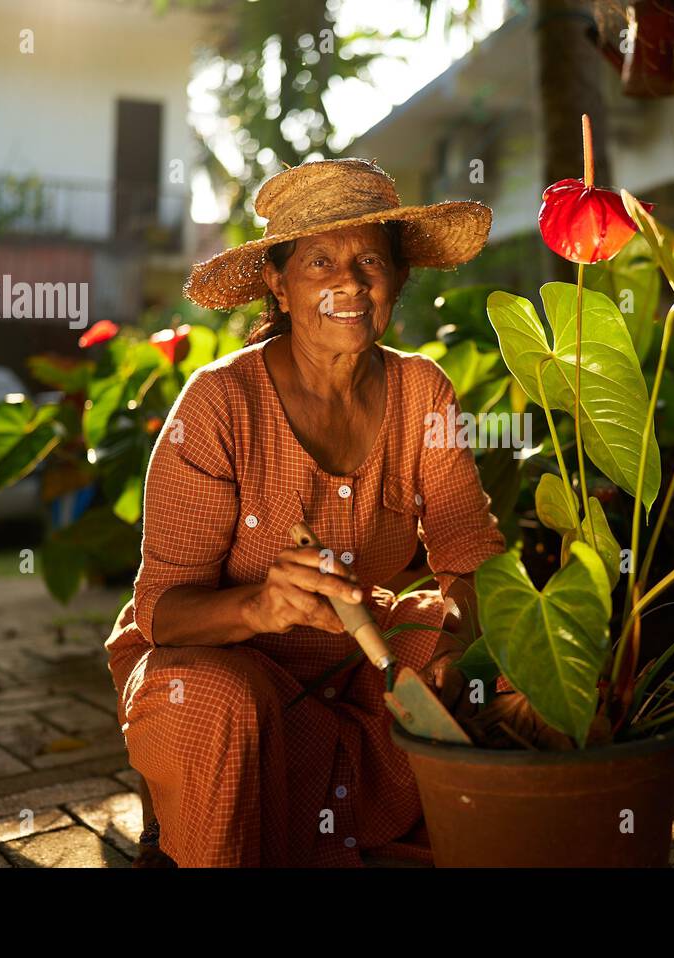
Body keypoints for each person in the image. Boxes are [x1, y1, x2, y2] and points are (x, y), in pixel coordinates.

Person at [103, 158, 505, 867]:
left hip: (355, 664)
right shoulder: (220, 403)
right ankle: (193, 810)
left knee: (476, 657)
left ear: (399, 279)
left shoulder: (423, 392)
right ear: (278, 283)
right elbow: (163, 612)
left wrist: (455, 644)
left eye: (370, 262)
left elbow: (470, 555)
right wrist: (262, 606)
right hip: (218, 673)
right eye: (321, 261)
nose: (349, 283)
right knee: (219, 702)